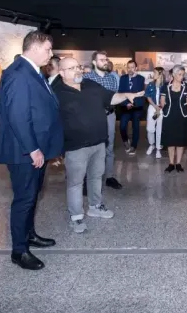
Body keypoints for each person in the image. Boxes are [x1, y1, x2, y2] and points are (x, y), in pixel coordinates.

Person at [0, 30, 64, 271]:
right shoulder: (18, 74)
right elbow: (18, 116)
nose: (51, 54)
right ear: (34, 48)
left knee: (33, 194)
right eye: (48, 49)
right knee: (24, 199)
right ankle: (19, 251)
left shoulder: (33, 72)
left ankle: (29, 234)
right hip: (23, 151)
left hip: (36, 148)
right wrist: (33, 149)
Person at [53, 57, 144, 232]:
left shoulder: (90, 85)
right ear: (62, 72)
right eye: (71, 68)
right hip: (75, 147)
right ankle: (76, 217)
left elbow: (110, 98)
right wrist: (55, 149)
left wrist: (126, 95)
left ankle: (95, 207)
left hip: (98, 143)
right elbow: (51, 122)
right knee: (75, 183)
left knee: (96, 177)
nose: (77, 70)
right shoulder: (57, 93)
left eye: (78, 66)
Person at [83, 51, 124, 190]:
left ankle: (109, 177)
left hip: (109, 116)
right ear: (94, 62)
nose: (105, 62)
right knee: (91, 147)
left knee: (109, 146)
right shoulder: (87, 78)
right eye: (101, 60)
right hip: (93, 117)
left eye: (106, 59)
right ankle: (87, 179)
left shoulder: (112, 78)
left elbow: (113, 97)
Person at [160, 64, 187, 173]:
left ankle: (178, 163)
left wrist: (185, 109)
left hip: (182, 117)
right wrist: (165, 109)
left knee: (180, 141)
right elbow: (162, 101)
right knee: (170, 141)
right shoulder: (165, 86)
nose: (181, 77)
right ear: (174, 75)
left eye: (183, 75)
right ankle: (171, 163)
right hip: (169, 116)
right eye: (179, 74)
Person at [117, 60, 146, 155]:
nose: (130, 69)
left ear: (136, 68)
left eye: (132, 67)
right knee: (122, 127)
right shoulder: (123, 78)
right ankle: (125, 141)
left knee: (136, 127)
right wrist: (126, 103)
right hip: (125, 107)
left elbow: (139, 93)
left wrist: (133, 78)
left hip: (136, 106)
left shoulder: (141, 79)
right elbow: (120, 92)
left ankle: (134, 146)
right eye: (128, 67)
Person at [145, 67, 167, 159]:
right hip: (152, 107)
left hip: (162, 108)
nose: (153, 74)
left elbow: (167, 99)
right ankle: (152, 144)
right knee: (150, 128)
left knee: (159, 128)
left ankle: (158, 148)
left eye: (155, 73)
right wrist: (155, 106)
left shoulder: (165, 86)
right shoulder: (150, 84)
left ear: (160, 74)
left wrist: (160, 107)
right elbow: (148, 97)